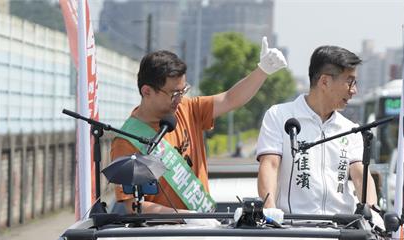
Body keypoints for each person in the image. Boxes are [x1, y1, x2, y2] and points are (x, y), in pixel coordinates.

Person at [111, 40, 288, 213]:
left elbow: (230, 99)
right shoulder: (128, 140)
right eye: (174, 93)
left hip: (201, 229)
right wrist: (185, 217)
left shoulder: (187, 109)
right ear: (147, 91)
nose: (179, 99)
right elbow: (134, 206)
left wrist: (262, 71)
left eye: (183, 91)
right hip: (160, 235)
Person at [257, 46, 375, 215]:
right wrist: (270, 211)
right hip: (293, 232)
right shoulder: (279, 116)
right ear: (324, 81)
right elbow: (270, 164)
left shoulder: (350, 129)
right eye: (350, 81)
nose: (354, 91)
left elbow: (360, 175)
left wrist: (372, 213)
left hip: (342, 233)